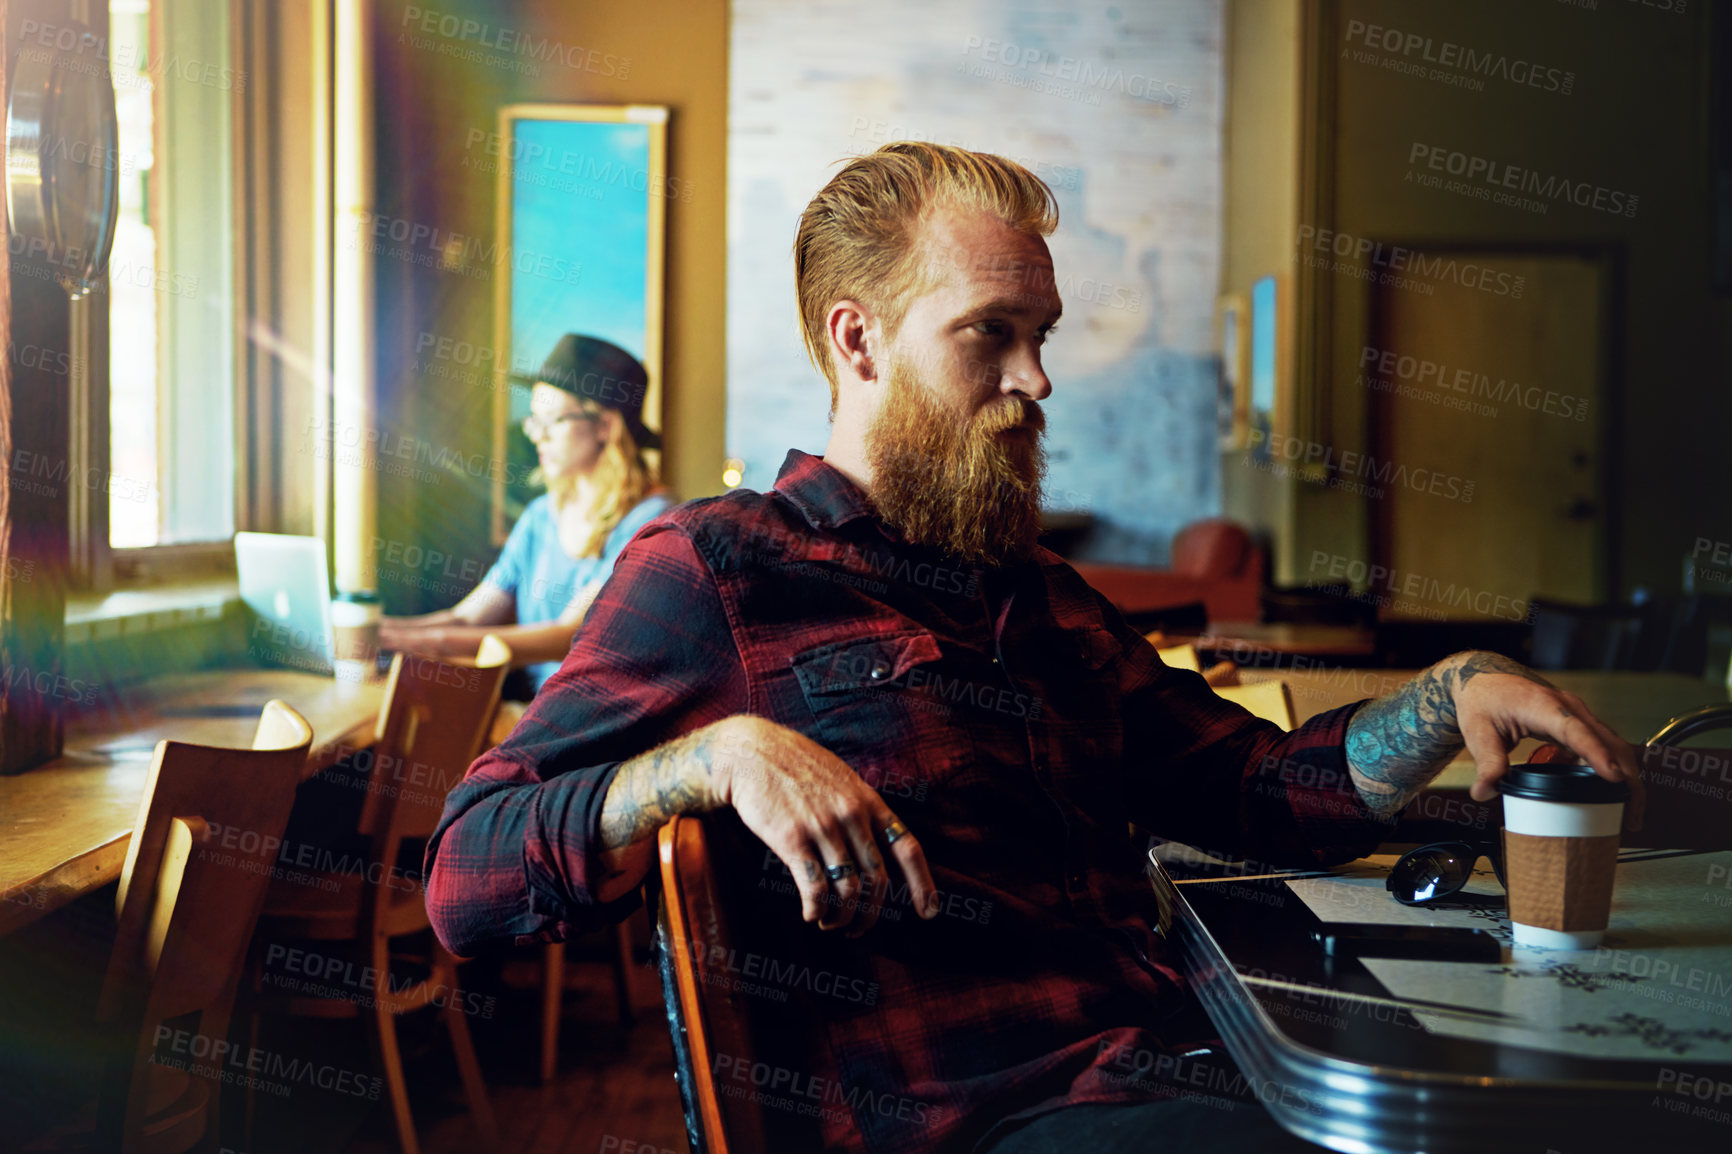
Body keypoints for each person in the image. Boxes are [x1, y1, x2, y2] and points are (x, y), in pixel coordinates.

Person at [423, 144, 1642, 1153]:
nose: (1036, 378)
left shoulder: (1042, 597)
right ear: (858, 340)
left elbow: (1256, 788)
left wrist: (1447, 689)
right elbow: (464, 875)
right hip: (983, 1121)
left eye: (1042, 331)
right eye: (991, 333)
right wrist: (706, 759)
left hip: (1173, 1064)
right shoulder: (717, 569)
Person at [380, 333, 672, 695]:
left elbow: (569, 637)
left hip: (602, 721)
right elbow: (467, 617)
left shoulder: (652, 521)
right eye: (534, 420)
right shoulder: (540, 516)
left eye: (553, 420)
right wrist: (380, 630)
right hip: (540, 711)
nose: (537, 435)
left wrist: (420, 644)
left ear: (605, 427)